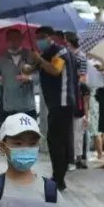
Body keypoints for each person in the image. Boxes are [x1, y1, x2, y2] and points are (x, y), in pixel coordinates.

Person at [30, 26, 78, 190]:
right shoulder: (46, 54)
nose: (39, 41)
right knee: (56, 140)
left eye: (42, 37)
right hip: (54, 103)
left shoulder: (60, 52)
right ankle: (58, 176)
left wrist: (40, 60)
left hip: (63, 102)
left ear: (51, 37)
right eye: (37, 38)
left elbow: (55, 70)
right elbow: (32, 69)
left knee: (56, 140)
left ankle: (59, 177)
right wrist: (30, 64)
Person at [65, 32, 91, 170]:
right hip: (76, 95)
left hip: (77, 96)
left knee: (78, 129)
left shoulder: (78, 57)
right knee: (77, 130)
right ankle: (78, 157)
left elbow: (82, 77)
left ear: (69, 43)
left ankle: (78, 157)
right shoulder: (76, 56)